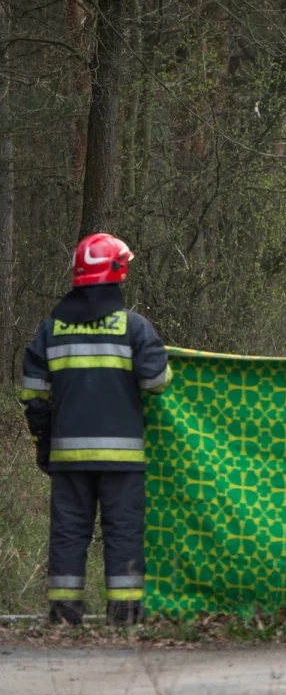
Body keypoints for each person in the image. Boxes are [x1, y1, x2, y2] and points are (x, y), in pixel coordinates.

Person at [20, 234, 173, 626]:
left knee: (69, 534)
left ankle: (64, 617)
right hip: (123, 462)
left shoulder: (49, 331)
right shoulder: (135, 329)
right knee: (123, 533)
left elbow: (34, 396)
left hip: (67, 459)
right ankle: (124, 619)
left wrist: (45, 444)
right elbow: (157, 381)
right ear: (117, 273)